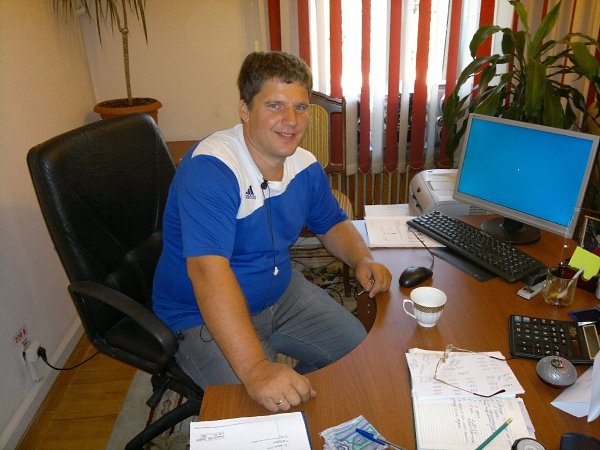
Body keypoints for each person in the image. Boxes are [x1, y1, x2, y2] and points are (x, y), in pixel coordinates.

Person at [152, 51, 392, 412]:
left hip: (280, 292)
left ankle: (298, 395)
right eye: (275, 105)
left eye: (300, 107)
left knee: (355, 352)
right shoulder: (211, 169)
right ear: (245, 110)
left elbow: (331, 222)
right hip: (199, 313)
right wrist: (255, 368)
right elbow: (207, 273)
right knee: (258, 408)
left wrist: (362, 258)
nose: (291, 121)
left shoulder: (304, 165)